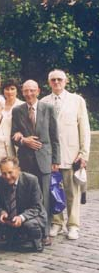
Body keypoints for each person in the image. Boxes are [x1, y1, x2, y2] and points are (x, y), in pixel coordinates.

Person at [41, 69, 90, 240]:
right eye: (53, 80)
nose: (56, 82)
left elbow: (84, 129)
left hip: (71, 154)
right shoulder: (44, 102)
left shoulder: (77, 101)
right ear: (49, 83)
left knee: (72, 192)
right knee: (53, 190)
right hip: (51, 156)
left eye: (59, 79)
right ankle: (56, 222)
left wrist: (84, 153)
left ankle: (73, 225)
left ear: (66, 81)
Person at [11, 79, 60, 246]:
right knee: (26, 197)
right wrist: (24, 140)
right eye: (26, 91)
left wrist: (56, 160)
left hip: (44, 159)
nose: (29, 94)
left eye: (32, 90)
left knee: (44, 198)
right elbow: (14, 136)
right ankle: (28, 231)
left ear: (38, 91)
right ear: (22, 92)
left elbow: (55, 137)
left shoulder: (48, 108)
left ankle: (45, 233)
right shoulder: (17, 110)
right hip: (25, 160)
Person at [0, 157, 47, 252]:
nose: (7, 176)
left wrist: (21, 217)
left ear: (18, 170)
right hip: (11, 217)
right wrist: (2, 212)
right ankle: (14, 236)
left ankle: (38, 240)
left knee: (30, 224)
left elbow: (36, 207)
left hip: (31, 216)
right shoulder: (0, 181)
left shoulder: (31, 180)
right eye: (4, 173)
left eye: (10, 172)